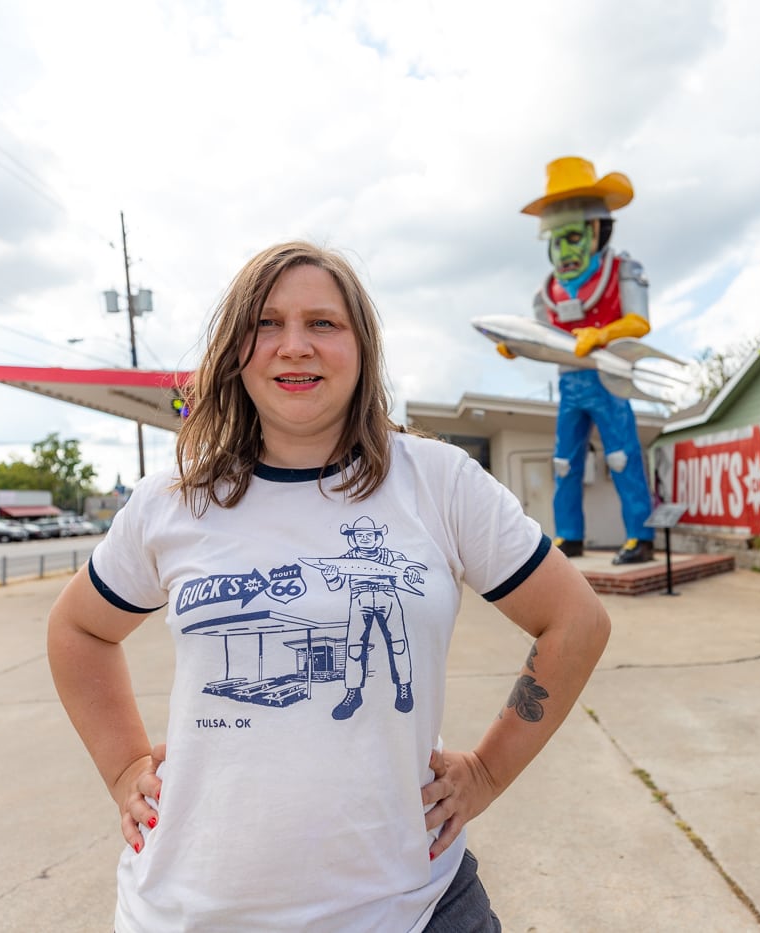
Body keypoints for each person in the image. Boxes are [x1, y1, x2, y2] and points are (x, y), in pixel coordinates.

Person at [48, 241, 611, 932]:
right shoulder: (174, 500)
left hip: (412, 904)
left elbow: (576, 622)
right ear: (235, 349)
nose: (295, 346)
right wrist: (122, 764)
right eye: (267, 323)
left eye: (323, 323)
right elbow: (78, 628)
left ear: (362, 347)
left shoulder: (437, 480)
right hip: (190, 908)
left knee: (386, 654)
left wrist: (487, 772)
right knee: (352, 653)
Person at [501, 156, 657, 565]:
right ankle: (570, 534)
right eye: (558, 239)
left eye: (573, 237)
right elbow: (541, 336)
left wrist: (604, 335)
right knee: (565, 463)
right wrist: (515, 344)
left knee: (622, 456)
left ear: (595, 230)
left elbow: (639, 322)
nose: (565, 250)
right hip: (570, 384)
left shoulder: (623, 270)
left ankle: (640, 535)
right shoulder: (547, 292)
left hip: (608, 378)